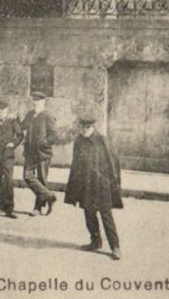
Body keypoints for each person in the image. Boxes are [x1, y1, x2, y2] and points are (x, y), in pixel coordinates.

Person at [65, 103, 123, 260]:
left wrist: (114, 183)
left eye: (87, 127)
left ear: (93, 127)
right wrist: (74, 188)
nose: (84, 130)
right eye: (82, 127)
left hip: (101, 185)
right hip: (86, 185)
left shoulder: (102, 141)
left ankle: (115, 247)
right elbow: (75, 165)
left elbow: (114, 162)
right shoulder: (78, 142)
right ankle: (95, 241)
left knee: (106, 216)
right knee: (89, 214)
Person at [0, 97, 24, 218]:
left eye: (3, 108)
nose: (1, 111)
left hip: (7, 155)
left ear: (7, 110)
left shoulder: (12, 121)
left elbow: (20, 135)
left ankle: (9, 208)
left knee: (8, 180)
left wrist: (13, 143)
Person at [22, 91, 58, 215]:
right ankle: (49, 196)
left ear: (43, 101)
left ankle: (37, 208)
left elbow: (54, 136)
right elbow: (21, 127)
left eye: (38, 100)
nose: (35, 102)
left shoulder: (48, 115)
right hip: (30, 152)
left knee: (41, 179)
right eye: (34, 100)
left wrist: (43, 143)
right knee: (27, 176)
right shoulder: (30, 114)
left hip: (43, 153)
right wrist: (13, 117)